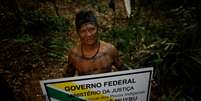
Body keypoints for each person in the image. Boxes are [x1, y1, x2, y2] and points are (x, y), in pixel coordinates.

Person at [63, 10, 128, 77]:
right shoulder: (74, 55)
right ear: (78, 33)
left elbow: (125, 71)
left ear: (97, 28)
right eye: (83, 31)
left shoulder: (110, 50)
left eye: (91, 29)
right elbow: (67, 78)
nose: (88, 34)